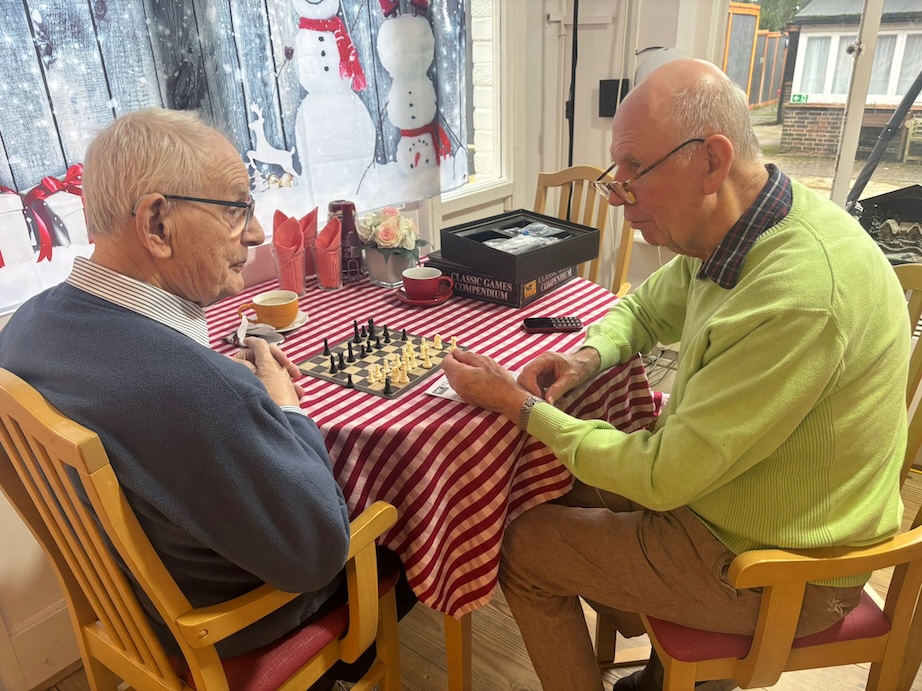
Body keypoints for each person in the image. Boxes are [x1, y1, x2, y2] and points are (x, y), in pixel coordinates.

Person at [440, 58, 909, 691]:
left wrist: (520, 408)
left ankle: (670, 641)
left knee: (524, 549)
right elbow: (641, 308)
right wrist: (584, 357)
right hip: (729, 502)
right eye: (616, 175)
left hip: (780, 566)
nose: (618, 198)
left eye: (635, 171)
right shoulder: (741, 228)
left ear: (711, 160)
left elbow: (662, 478)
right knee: (556, 486)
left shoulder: (797, 295)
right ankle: (666, 660)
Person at [0, 108, 406, 686]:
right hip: (224, 625)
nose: (257, 233)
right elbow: (318, 553)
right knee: (398, 539)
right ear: (157, 224)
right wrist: (281, 401)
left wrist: (215, 385)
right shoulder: (203, 394)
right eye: (236, 209)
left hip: (127, 605)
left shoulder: (25, 327)